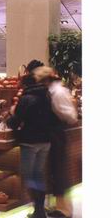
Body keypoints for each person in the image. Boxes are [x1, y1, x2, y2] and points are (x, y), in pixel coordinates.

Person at [8, 66, 54, 218]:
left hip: (30, 141)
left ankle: (38, 210)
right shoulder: (47, 95)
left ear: (25, 85)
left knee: (28, 176)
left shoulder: (26, 98)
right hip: (45, 141)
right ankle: (40, 210)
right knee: (38, 175)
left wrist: (9, 117)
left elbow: (15, 121)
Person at [45, 69, 78, 218]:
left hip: (57, 135)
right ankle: (60, 207)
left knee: (59, 172)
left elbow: (70, 116)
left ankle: (65, 210)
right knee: (57, 171)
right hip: (56, 135)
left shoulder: (57, 93)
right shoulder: (57, 91)